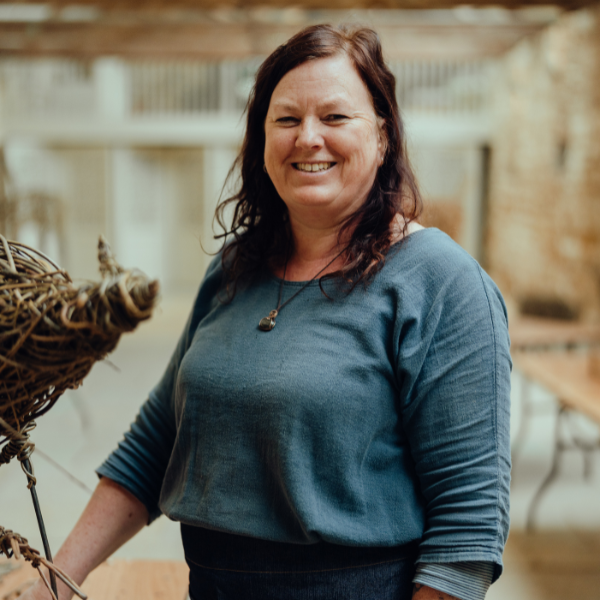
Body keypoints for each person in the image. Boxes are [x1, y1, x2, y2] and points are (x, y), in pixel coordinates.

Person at [23, 24, 510, 600]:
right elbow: (158, 440)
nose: (308, 138)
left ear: (382, 137)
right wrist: (56, 578)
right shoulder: (236, 269)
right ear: (261, 140)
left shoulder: (441, 283)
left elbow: (468, 531)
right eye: (286, 119)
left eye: (335, 118)